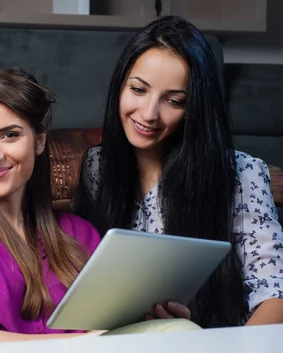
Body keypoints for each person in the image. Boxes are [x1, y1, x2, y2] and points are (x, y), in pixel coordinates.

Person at [0, 68, 198, 344]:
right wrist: (80, 344)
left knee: (179, 332)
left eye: (10, 135)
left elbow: (109, 331)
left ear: (40, 141)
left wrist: (152, 321)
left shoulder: (80, 234)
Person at [72, 16, 283, 328]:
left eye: (174, 101)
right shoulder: (98, 166)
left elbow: (274, 294)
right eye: (138, 89)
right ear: (120, 85)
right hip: (129, 344)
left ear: (195, 108)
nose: (148, 114)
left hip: (219, 345)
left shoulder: (241, 172)